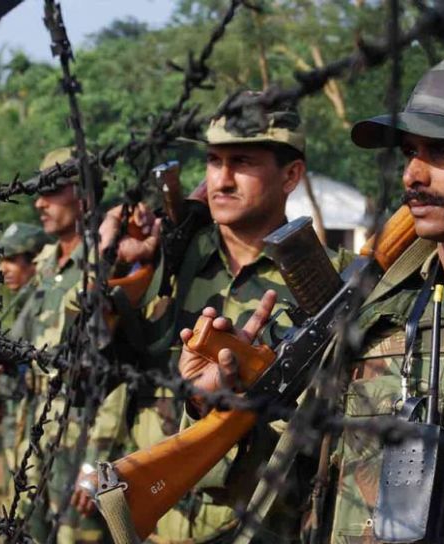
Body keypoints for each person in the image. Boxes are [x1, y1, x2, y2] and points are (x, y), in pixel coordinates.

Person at [177, 54, 444, 542]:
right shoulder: (368, 313)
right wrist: (226, 405)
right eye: (409, 151)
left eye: (443, 150)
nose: (413, 176)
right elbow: (281, 498)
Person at [83, 92, 351, 542]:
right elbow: (83, 362)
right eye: (213, 160)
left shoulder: (328, 282)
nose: (221, 181)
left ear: (291, 175)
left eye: (241, 162)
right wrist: (106, 260)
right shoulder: (167, 262)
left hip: (261, 527)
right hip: (156, 523)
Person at [17, 148, 130, 544]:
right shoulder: (48, 263)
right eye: (39, 193)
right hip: (39, 426)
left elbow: (120, 372)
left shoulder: (106, 263)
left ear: (83, 196)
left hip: (83, 434)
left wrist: (96, 462)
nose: (39, 203)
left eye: (52, 192)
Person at [0, 222, 52, 498]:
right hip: (20, 422)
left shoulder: (42, 304)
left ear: (36, 261)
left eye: (11, 259)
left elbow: (22, 364)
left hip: (38, 425)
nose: (2, 269)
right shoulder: (24, 304)